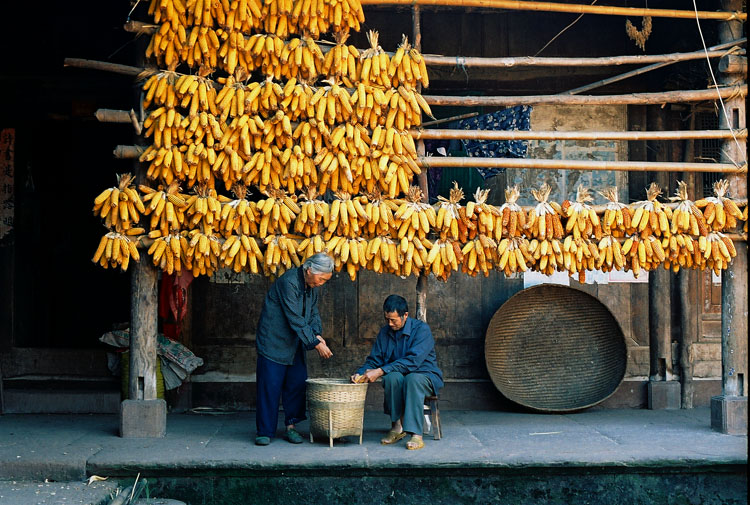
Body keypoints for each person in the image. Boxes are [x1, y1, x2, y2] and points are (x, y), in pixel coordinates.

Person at [254, 253, 334, 446]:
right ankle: (265, 431)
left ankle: (291, 427)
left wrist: (317, 334)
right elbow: (294, 317)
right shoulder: (288, 282)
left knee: (296, 384)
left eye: (325, 280)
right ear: (309, 270)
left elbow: (313, 313)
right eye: (321, 278)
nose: (322, 283)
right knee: (270, 386)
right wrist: (315, 343)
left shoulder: (311, 287)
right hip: (274, 340)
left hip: (295, 342)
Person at [351, 295, 443, 450]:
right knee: (391, 378)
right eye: (387, 319)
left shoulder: (421, 330)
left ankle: (416, 434)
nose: (390, 323)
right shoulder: (385, 332)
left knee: (412, 379)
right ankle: (396, 428)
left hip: (425, 376)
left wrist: (380, 371)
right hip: (400, 376)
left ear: (405, 315)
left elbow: (412, 361)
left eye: (393, 320)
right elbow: (375, 359)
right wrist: (360, 373)